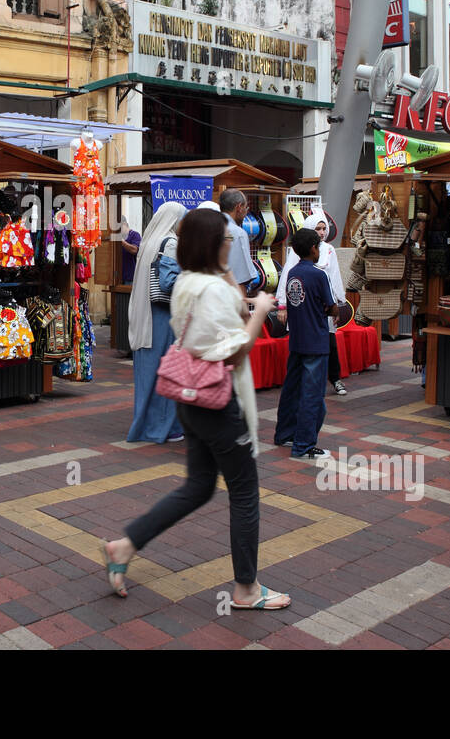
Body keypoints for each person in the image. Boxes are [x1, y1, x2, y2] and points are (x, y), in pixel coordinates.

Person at [101, 208, 290, 610]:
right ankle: (246, 590)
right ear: (212, 246)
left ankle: (125, 545)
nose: (231, 246)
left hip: (190, 401)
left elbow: (225, 311)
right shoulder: (213, 290)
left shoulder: (188, 281)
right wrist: (260, 311)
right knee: (245, 493)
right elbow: (236, 350)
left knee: (198, 486)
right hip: (219, 403)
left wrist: (233, 284)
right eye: (226, 240)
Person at [126, 203, 186, 443]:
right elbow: (169, 282)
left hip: (146, 315)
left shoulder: (150, 241)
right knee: (168, 370)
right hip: (162, 315)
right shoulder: (170, 243)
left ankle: (146, 424)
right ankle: (166, 427)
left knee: (148, 373)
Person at [274, 227, 336, 458]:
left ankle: (284, 434)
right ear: (313, 248)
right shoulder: (319, 275)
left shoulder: (292, 273)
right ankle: (304, 445)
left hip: (297, 339)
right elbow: (332, 306)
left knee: (291, 389)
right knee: (313, 394)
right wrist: (333, 310)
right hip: (316, 341)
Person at [284, 209, 348, 396]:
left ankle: (335, 379)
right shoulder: (308, 267)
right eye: (317, 228)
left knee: (329, 344)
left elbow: (335, 277)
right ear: (313, 249)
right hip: (313, 312)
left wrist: (339, 300)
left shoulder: (328, 250)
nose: (321, 232)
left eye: (323, 228)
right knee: (313, 385)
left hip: (316, 309)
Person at [218, 189, 259, 292]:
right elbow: (241, 281)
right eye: (246, 208)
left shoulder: (208, 226)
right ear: (239, 207)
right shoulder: (238, 233)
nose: (246, 212)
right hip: (228, 298)